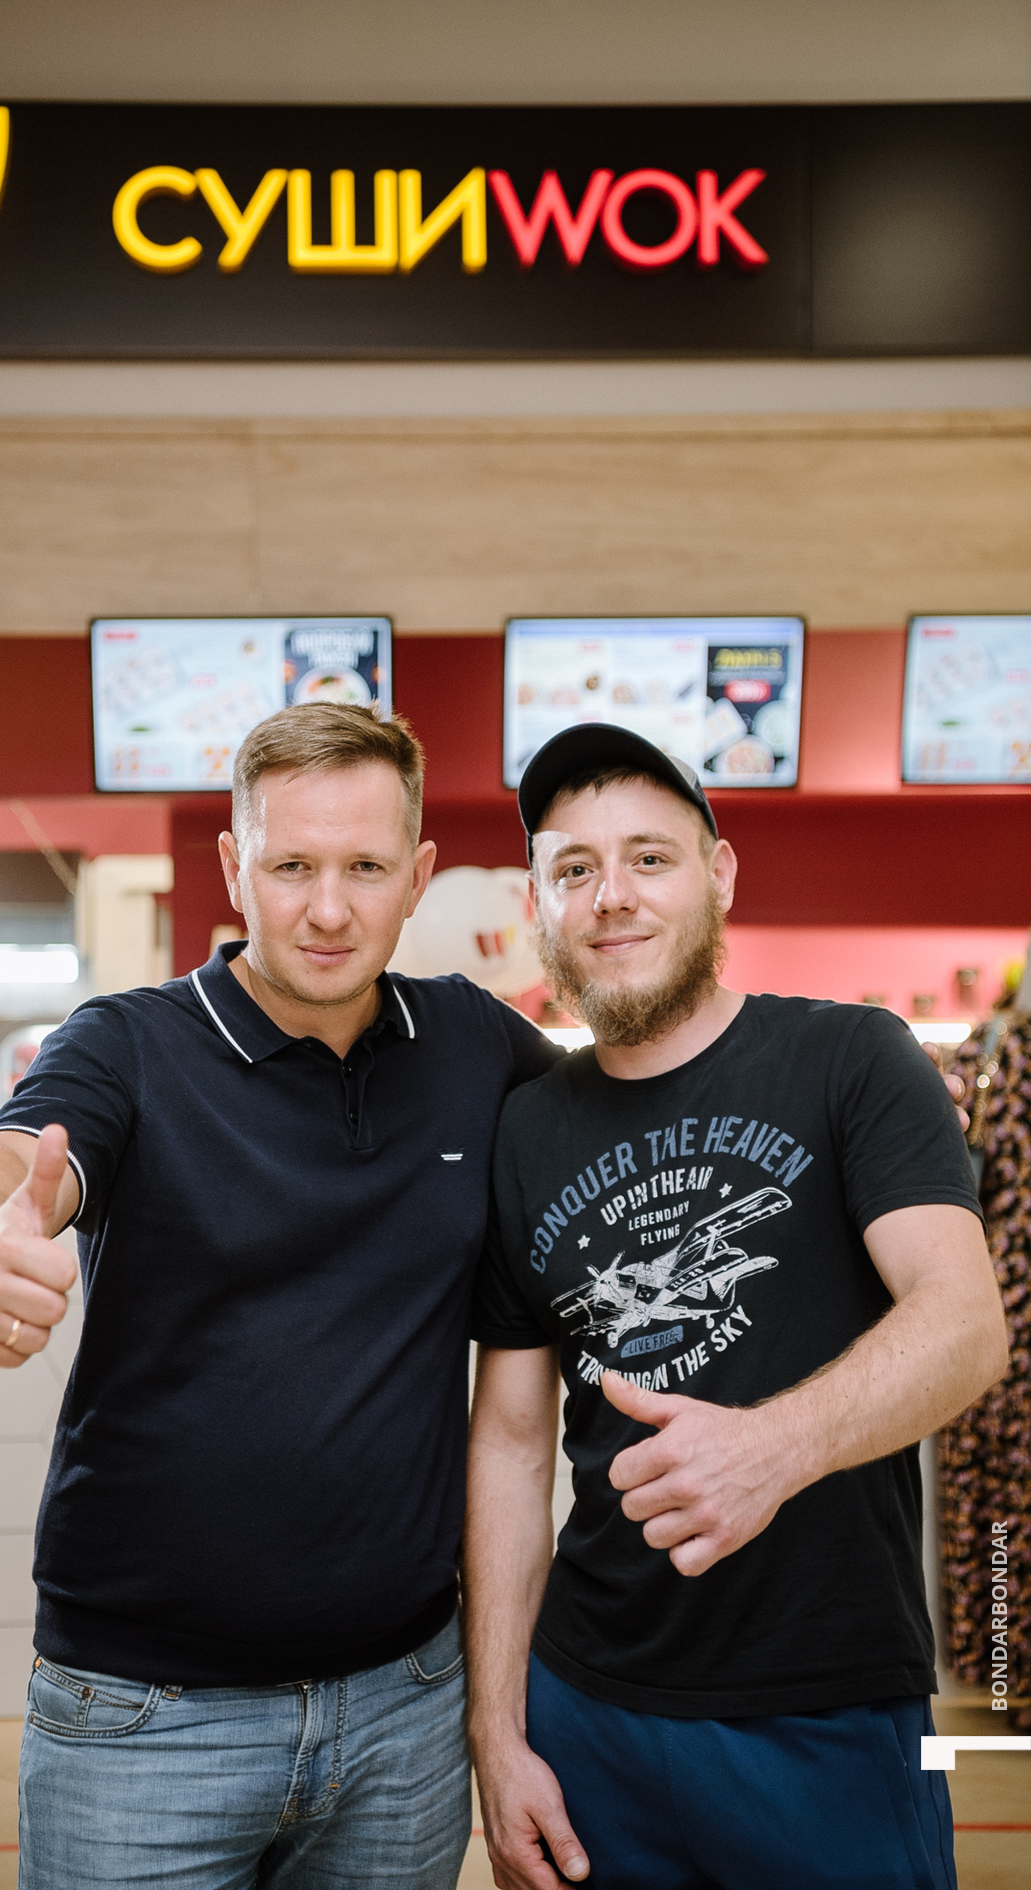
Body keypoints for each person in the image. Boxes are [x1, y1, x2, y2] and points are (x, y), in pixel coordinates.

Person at [0, 703, 563, 1890]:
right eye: (291, 867)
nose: (328, 909)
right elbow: (8, 1162)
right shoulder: (126, 1046)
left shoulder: (474, 1044)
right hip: (143, 1723)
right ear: (234, 867)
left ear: (419, 873)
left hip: (404, 1711)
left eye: (365, 867)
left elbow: (629, 1111)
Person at [463, 723, 1010, 1890]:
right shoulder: (524, 1130)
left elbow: (966, 1324)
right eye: (574, 868)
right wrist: (497, 1734)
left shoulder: (853, 1059)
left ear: (717, 875)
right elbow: (509, 1442)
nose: (611, 896)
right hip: (585, 1707)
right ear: (539, 903)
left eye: (649, 858)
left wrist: (774, 1447)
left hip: (829, 1707)